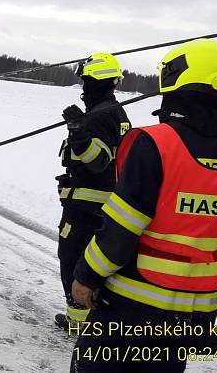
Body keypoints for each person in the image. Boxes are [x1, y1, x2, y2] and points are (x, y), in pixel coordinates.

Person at [70, 39, 217, 372]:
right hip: (193, 318)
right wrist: (201, 280)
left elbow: (119, 233)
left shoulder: (155, 144)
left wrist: (86, 277)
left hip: (128, 312)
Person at [55, 53, 131, 328]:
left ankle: (80, 322)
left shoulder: (100, 116)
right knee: (94, 263)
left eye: (85, 80)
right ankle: (88, 320)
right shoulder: (114, 112)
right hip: (103, 205)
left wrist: (78, 133)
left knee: (72, 258)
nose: (83, 87)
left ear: (94, 81)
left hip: (86, 208)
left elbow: (98, 161)